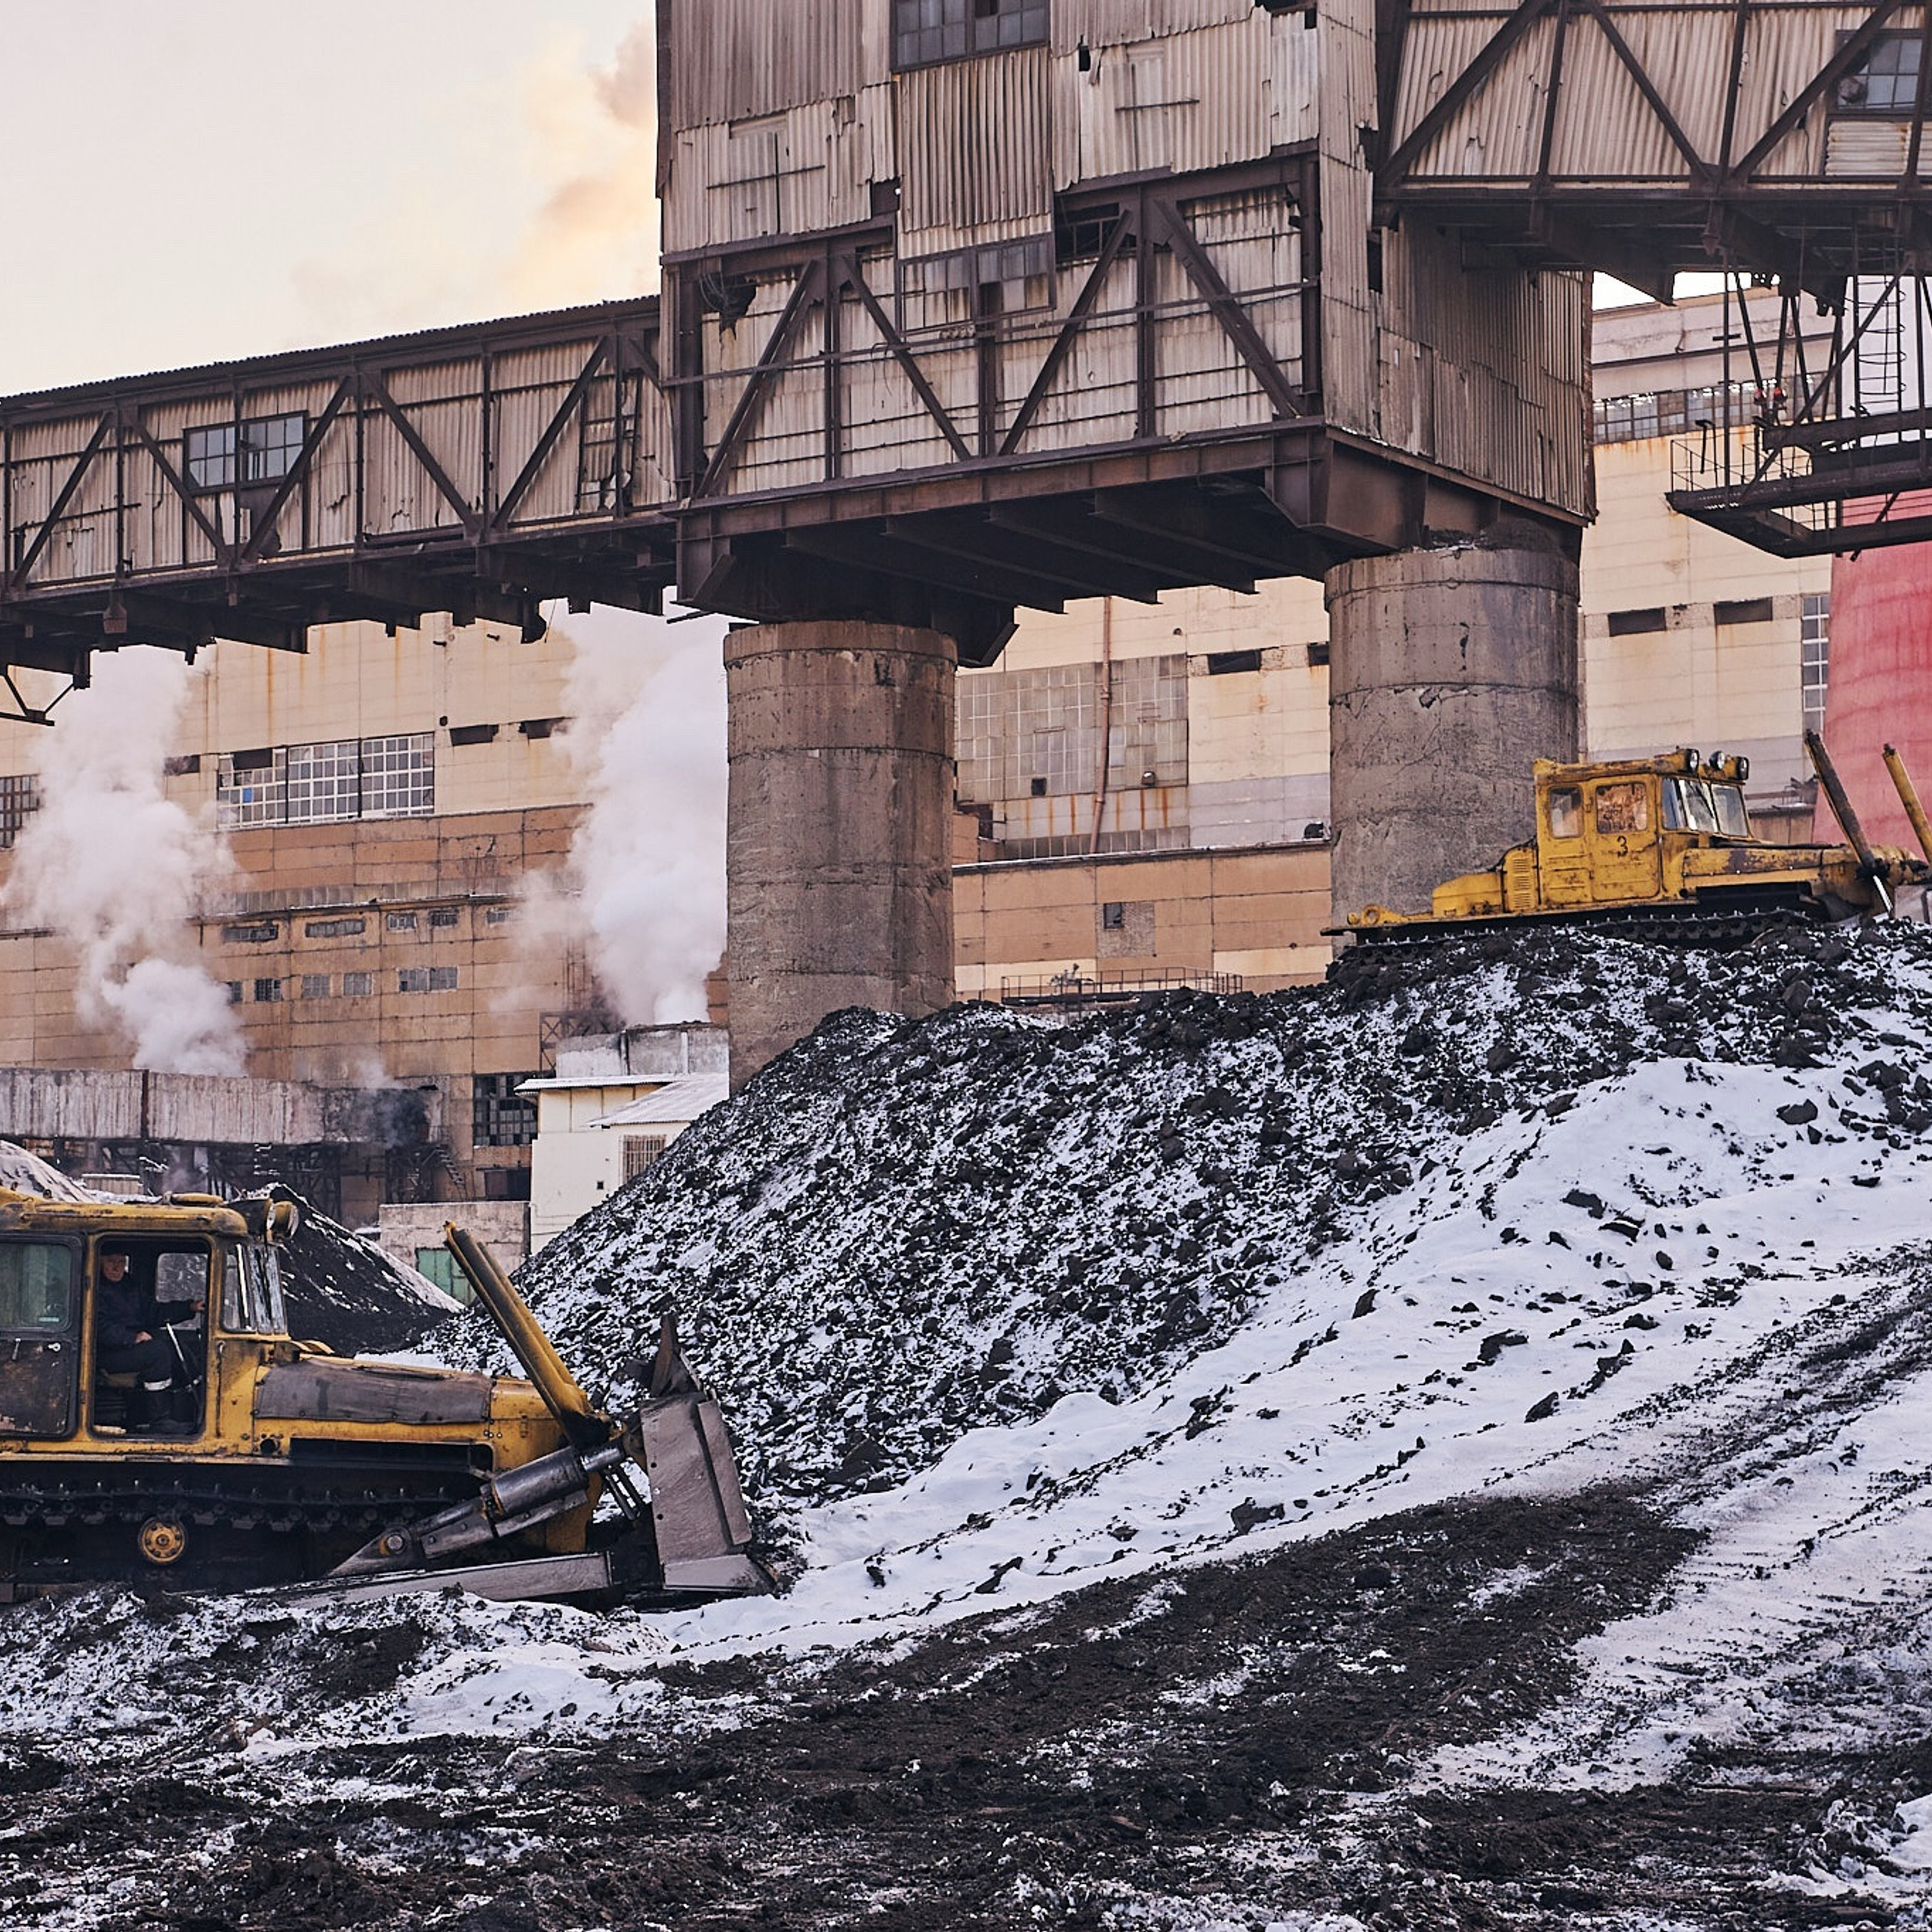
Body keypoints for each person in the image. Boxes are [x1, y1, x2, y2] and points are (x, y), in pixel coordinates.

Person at [94, 1250, 191, 1434]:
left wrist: (189, 1307)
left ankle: (186, 1411)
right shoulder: (92, 1286)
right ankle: (159, 1420)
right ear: (98, 1262)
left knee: (172, 1345)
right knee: (157, 1353)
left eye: (121, 1261)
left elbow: (153, 1313)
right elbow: (97, 1325)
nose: (117, 1267)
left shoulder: (129, 1286)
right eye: (110, 1260)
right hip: (103, 1352)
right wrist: (131, 1338)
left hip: (126, 1348)